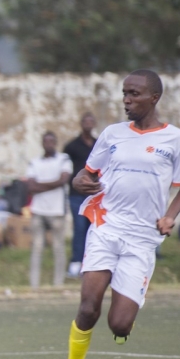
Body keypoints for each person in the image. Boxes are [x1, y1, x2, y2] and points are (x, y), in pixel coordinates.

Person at [55, 70, 180, 359]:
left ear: (154, 98)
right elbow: (85, 175)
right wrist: (79, 182)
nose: (126, 100)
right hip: (106, 227)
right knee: (88, 308)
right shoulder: (112, 134)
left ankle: (122, 322)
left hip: (142, 239)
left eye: (134, 94)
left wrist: (170, 216)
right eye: (124, 93)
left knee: (119, 325)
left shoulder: (176, 140)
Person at [26, 131, 73, 288]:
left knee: (58, 247)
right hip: (38, 210)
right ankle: (34, 285)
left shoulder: (64, 159)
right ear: (42, 143)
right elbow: (30, 186)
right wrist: (53, 184)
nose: (49, 144)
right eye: (46, 141)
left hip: (57, 210)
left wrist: (41, 186)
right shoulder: (34, 162)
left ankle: (58, 283)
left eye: (52, 141)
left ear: (56, 142)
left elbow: (64, 180)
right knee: (37, 248)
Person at [63, 113, 97, 277]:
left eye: (91, 121)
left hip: (94, 194)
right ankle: (76, 261)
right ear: (81, 123)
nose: (88, 124)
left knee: (93, 229)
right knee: (79, 228)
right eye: (86, 121)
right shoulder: (72, 146)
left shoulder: (98, 144)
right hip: (77, 194)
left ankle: (90, 262)